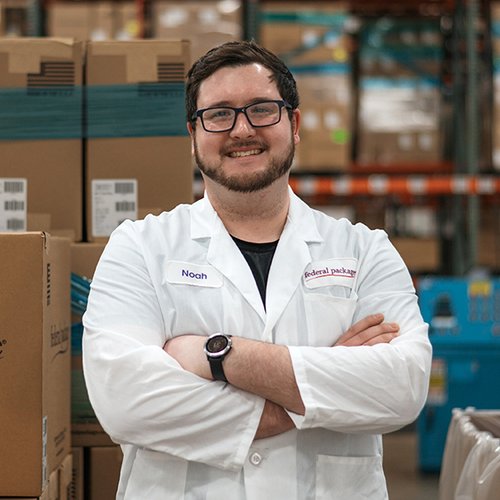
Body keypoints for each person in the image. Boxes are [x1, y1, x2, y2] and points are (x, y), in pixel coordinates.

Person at [82, 40, 432, 499]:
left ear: (295, 123)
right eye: (219, 114)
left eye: (262, 109)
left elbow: (401, 387)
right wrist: (315, 394)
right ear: (193, 134)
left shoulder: (364, 251)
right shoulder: (141, 249)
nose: (241, 129)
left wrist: (220, 356)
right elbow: (126, 402)